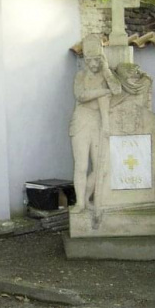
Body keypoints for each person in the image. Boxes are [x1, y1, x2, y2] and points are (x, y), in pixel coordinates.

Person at [69, 35, 121, 213]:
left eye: (97, 60)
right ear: (86, 60)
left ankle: (87, 197)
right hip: (81, 122)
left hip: (98, 123)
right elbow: (81, 95)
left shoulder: (104, 74)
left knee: (100, 166)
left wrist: (106, 70)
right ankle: (80, 203)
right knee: (81, 166)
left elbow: (117, 89)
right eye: (91, 60)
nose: (94, 64)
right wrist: (103, 91)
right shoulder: (80, 75)